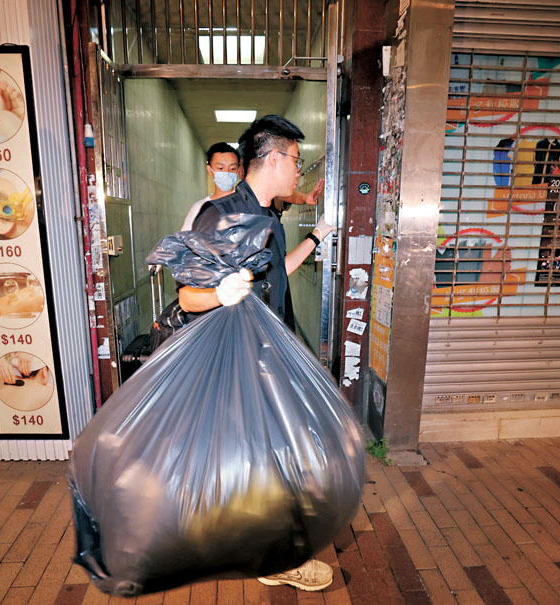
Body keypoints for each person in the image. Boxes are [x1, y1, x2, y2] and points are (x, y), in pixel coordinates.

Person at [178, 115, 335, 591]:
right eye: (296, 160)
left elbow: (274, 279)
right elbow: (188, 295)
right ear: (271, 158)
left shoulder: (267, 217)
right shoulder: (222, 215)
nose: (299, 171)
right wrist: (220, 293)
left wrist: (316, 236)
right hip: (238, 360)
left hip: (266, 356)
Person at [181, 142, 326, 231]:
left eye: (232, 168)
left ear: (239, 169)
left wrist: (305, 198)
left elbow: (282, 192)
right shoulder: (201, 208)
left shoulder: (250, 198)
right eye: (220, 168)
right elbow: (184, 248)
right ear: (210, 170)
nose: (226, 173)